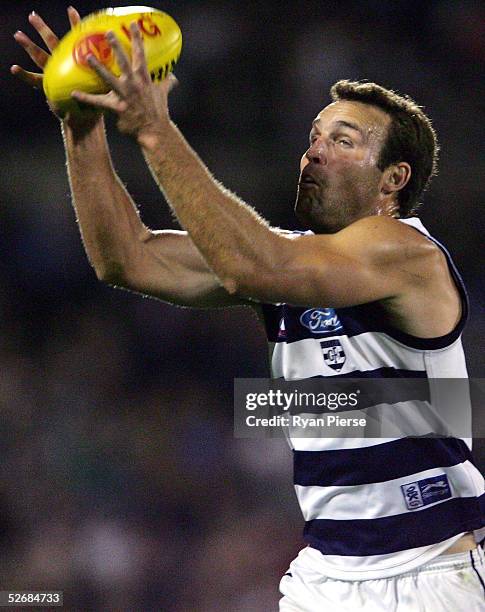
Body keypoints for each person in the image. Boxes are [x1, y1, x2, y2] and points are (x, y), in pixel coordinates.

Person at [12, 8, 485, 611]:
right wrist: (82, 126)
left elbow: (250, 266)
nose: (316, 151)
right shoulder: (286, 259)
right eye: (315, 136)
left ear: (394, 179)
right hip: (325, 575)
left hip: (432, 570)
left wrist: (156, 129)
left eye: (343, 141)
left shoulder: (407, 252)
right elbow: (124, 259)